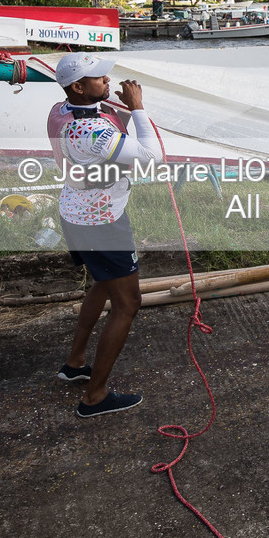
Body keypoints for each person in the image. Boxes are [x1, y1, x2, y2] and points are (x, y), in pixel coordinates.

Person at [47, 52, 163, 418]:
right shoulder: (93, 131)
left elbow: (98, 131)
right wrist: (139, 108)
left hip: (75, 212)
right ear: (79, 87)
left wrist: (118, 110)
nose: (107, 82)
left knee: (101, 283)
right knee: (128, 304)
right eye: (98, 79)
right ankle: (95, 396)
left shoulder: (60, 112)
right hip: (102, 222)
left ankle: (75, 362)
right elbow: (151, 157)